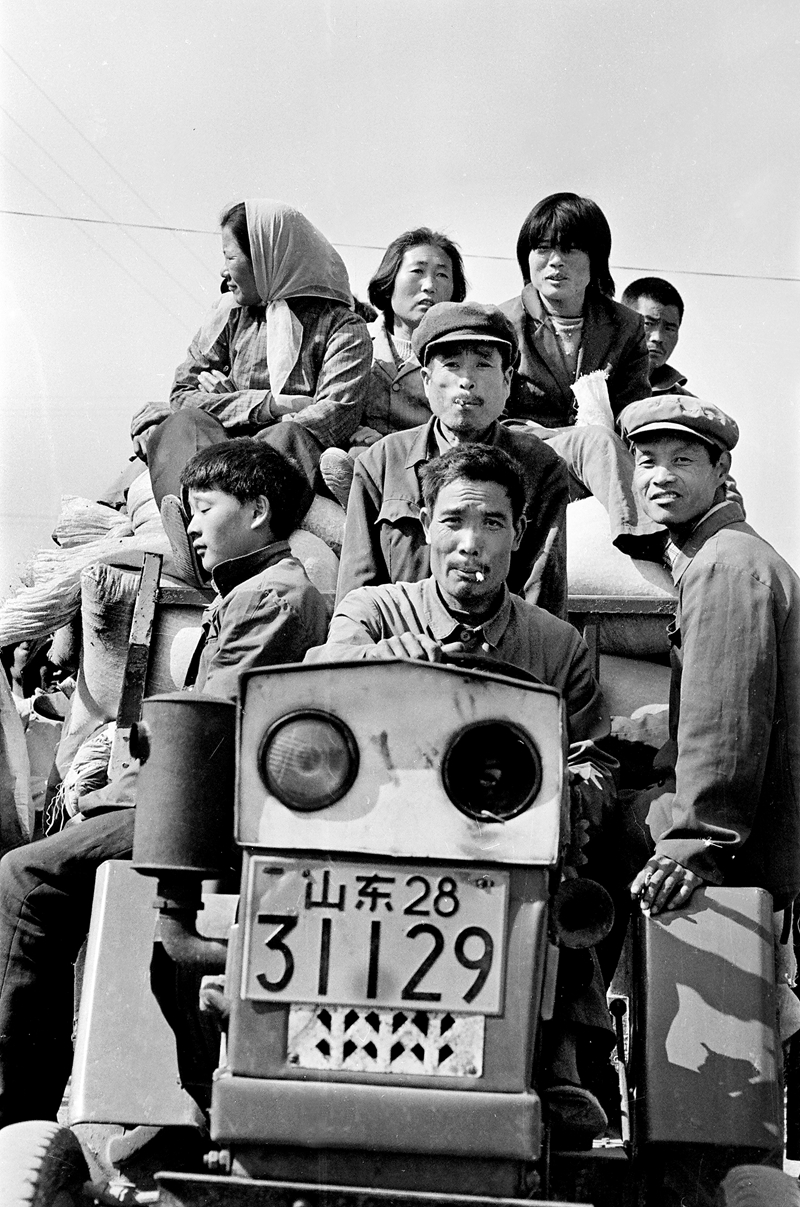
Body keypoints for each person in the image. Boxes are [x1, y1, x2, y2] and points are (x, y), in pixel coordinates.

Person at [0, 439, 329, 1127]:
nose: (194, 529)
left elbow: (207, 738)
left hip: (214, 810)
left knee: (26, 879)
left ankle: (17, 1113)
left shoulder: (272, 597)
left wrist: (110, 796)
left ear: (258, 511)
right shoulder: (249, 593)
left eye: (205, 509)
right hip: (206, 799)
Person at [309, 442, 617, 1140]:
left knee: (567, 868)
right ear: (425, 526)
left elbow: (593, 759)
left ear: (519, 533)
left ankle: (561, 1062)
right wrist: (389, 659)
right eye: (453, 521)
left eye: (493, 523)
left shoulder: (558, 645)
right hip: (377, 837)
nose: (470, 543)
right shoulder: (375, 611)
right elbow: (321, 673)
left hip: (508, 846)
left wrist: (566, 791)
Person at [611, 397, 800, 918]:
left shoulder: (723, 566)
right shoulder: (725, 553)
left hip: (755, 849)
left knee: (599, 832)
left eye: (683, 460)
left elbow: (725, 724)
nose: (661, 476)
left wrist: (693, 846)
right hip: (760, 828)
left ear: (721, 469)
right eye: (647, 461)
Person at [128, 199, 372, 573]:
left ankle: (225, 536)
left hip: (282, 457)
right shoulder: (230, 315)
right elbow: (182, 394)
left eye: (230, 257)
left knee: (289, 434)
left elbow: (333, 414)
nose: (223, 270)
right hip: (219, 445)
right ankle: (196, 527)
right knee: (184, 423)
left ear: (267, 258)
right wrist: (267, 404)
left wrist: (235, 410)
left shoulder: (343, 326)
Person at [335, 301, 569, 618]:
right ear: (426, 379)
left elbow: (542, 594)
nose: (467, 380)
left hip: (500, 643)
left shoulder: (540, 466)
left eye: (483, 364)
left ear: (507, 380)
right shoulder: (382, 461)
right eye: (452, 364)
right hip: (400, 642)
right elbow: (356, 594)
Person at [499, 192, 664, 559]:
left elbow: (633, 411)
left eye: (570, 249)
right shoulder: (503, 323)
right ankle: (649, 540)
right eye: (542, 248)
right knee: (598, 441)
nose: (555, 261)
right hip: (526, 455)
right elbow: (495, 416)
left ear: (596, 259)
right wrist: (578, 437)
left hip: (600, 464)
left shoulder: (625, 326)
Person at [319, 227, 467, 507]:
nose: (429, 285)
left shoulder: (459, 358)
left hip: (427, 472)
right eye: (417, 271)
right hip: (354, 456)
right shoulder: (351, 340)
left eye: (442, 275)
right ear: (390, 280)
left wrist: (388, 443)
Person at [620, 277, 692, 396]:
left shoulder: (682, 402)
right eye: (648, 324)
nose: (658, 338)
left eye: (669, 329)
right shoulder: (594, 384)